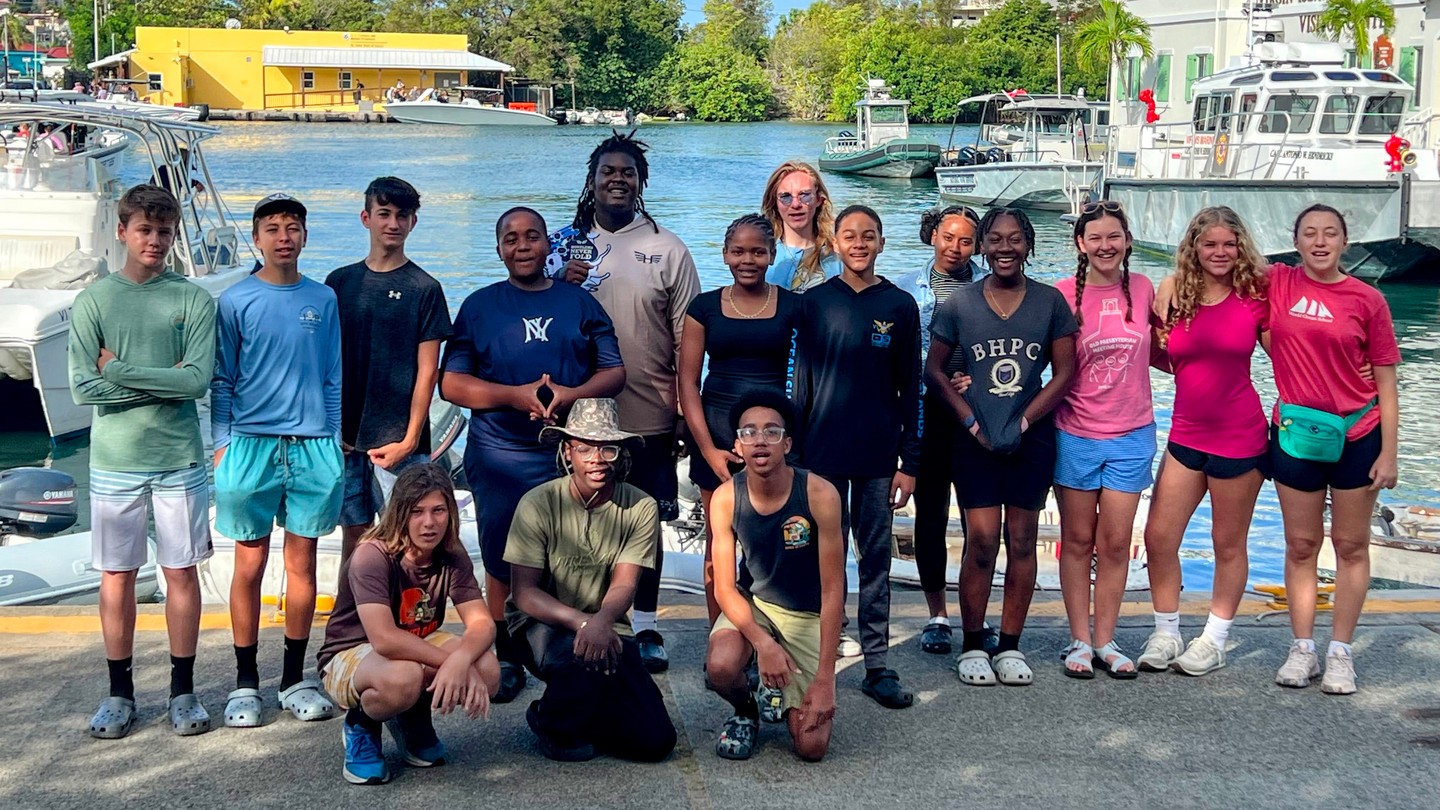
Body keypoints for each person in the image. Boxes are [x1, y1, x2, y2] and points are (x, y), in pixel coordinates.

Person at [441, 206, 626, 704]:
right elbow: (452, 383)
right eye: (510, 239)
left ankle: (570, 637)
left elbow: (614, 373)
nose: (522, 247)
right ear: (498, 247)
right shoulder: (479, 306)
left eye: (532, 237)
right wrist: (513, 394)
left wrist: (568, 394)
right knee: (502, 557)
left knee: (572, 552)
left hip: (568, 454)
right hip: (501, 453)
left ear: (549, 244)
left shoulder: (579, 303)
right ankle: (505, 652)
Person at [549, 132, 701, 672]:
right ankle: (580, 619)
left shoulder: (668, 249)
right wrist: (559, 285)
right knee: (580, 520)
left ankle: (647, 624)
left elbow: (688, 339)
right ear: (591, 181)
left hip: (649, 412)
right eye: (608, 171)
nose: (618, 179)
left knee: (647, 518)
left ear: (642, 183)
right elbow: (535, 316)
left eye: (628, 172)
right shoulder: (562, 245)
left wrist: (686, 410)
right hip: (578, 417)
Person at [68, 184, 217, 739]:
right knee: (118, 575)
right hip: (115, 459)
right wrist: (163, 383)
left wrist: (121, 371)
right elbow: (83, 390)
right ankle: (120, 692)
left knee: (180, 571)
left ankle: (183, 690)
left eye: (164, 232)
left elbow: (196, 381)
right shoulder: (94, 301)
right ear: (123, 232)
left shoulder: (193, 300)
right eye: (145, 230)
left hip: (179, 457)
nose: (154, 241)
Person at [927, 207, 1077, 687]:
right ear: (984, 246)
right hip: (977, 439)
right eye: (995, 239)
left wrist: (1028, 418)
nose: (1005, 247)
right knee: (983, 540)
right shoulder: (960, 305)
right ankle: (973, 642)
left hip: (1029, 439)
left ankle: (1010, 645)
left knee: (1023, 541)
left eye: (1015, 239)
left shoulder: (1051, 302)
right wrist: (969, 419)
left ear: (1028, 244)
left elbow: (1066, 372)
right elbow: (934, 371)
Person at [212, 193, 342, 728]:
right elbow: (222, 376)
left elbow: (333, 374)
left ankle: (293, 677)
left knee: (302, 564)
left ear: (305, 237)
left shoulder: (324, 299)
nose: (283, 236)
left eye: (292, 227)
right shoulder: (236, 299)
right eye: (272, 228)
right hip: (250, 442)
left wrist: (331, 435)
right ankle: (246, 681)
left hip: (312, 445)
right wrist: (221, 443)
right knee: (248, 562)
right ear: (257, 238)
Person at [1266, 205, 1400, 695]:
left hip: (1358, 434)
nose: (1320, 242)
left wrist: (1390, 451)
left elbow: (1385, 377)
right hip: (1296, 433)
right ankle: (1302, 649)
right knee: (1301, 546)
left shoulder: (1367, 299)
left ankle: (1340, 652)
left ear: (1345, 242)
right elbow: (1215, 257)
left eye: (1330, 234)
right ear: (1295, 241)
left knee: (1350, 545)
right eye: (1309, 234)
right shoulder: (1276, 283)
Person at [791, 205, 919, 708]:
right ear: (835, 244)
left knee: (876, 560)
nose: (859, 243)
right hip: (820, 456)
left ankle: (876, 663)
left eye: (869, 235)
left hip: (877, 458)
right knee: (819, 560)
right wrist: (795, 456)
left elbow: (912, 389)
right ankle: (815, 657)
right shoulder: (815, 304)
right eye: (849, 236)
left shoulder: (900, 305)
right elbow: (797, 384)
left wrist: (910, 461)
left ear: (882, 243)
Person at [505, 398, 678, 762]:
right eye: (585, 448)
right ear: (568, 452)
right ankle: (549, 719)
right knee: (577, 661)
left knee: (656, 742)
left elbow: (625, 585)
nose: (596, 459)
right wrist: (584, 623)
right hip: (541, 623)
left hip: (607, 623)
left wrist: (600, 622)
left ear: (620, 453)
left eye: (607, 448)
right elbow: (524, 593)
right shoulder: (537, 503)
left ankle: (588, 709)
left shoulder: (640, 506)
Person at [1139, 206, 1270, 677]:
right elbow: (1158, 354)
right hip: (1185, 435)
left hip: (1241, 439)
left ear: (1241, 248)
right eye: (1210, 244)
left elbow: (1290, 354)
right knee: (1158, 537)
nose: (1220, 252)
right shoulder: (1177, 297)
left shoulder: (1256, 296)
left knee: (1227, 543)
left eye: (1229, 244)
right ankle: (1167, 631)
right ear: (1194, 247)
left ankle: (1214, 638)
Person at [317, 464, 500, 785]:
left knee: (488, 670)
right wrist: (455, 663)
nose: (429, 523)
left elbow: (483, 624)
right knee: (403, 676)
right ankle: (360, 723)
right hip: (351, 653)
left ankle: (411, 718)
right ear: (400, 512)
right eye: (417, 512)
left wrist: (462, 660)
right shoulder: (372, 555)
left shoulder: (451, 554)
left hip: (417, 643)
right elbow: (385, 639)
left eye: (438, 510)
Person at [705, 391, 843, 761]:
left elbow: (833, 591)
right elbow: (723, 586)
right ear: (737, 445)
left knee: (811, 747)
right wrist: (763, 644)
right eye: (749, 433)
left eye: (771, 432)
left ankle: (783, 692)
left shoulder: (820, 493)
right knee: (720, 665)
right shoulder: (725, 498)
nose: (760, 441)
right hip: (758, 606)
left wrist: (826, 678)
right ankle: (746, 710)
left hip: (807, 614)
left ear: (788, 443)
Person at [1051, 201, 1156, 679]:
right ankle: (1078, 639)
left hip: (1132, 433)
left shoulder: (1146, 288)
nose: (1105, 246)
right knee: (1076, 540)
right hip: (1075, 432)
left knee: (1115, 543)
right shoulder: (1061, 296)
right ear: (1080, 244)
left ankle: (1107, 639)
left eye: (1114, 236)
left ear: (1127, 241)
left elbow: (1174, 344)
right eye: (1095, 238)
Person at [678, 213, 800, 622]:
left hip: (774, 438)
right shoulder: (703, 308)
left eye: (758, 251)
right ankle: (722, 633)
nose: (748, 259)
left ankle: (774, 625)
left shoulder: (795, 307)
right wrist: (709, 449)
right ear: (726, 254)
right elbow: (687, 383)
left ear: (771, 255)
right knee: (720, 539)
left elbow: (808, 378)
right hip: (717, 434)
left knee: (774, 536)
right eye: (738, 251)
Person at [326, 177, 452, 562]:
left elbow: (427, 372)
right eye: (384, 214)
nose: (393, 223)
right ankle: (354, 620)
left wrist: (411, 440)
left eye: (403, 215)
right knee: (356, 538)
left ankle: (405, 620)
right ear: (366, 218)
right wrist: (331, 431)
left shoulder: (424, 288)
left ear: (413, 222)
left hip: (399, 442)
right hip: (346, 441)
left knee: (408, 544)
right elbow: (326, 365)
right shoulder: (340, 282)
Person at [898, 205, 988, 655]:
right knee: (930, 515)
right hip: (925, 413)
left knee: (980, 518)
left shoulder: (991, 287)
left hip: (976, 414)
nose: (956, 247)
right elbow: (897, 355)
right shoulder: (906, 289)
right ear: (933, 236)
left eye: (966, 240)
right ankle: (937, 613)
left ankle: (978, 612)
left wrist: (977, 374)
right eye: (948, 237)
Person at [760, 161, 841, 292]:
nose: (795, 204)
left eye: (804, 195)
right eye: (785, 197)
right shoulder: (762, 256)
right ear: (774, 203)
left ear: (819, 200)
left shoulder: (838, 254)